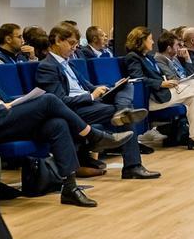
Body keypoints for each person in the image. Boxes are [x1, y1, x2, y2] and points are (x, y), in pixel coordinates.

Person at [0, 27, 133, 207]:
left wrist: (17, 104)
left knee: (56, 124)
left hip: (6, 121)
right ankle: (93, 136)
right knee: (49, 99)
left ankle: (70, 187)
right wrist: (4, 108)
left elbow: (6, 101)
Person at [35, 24, 159, 179]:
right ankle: (132, 166)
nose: (75, 47)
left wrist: (107, 88)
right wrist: (92, 96)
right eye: (72, 43)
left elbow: (86, 86)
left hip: (90, 102)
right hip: (76, 109)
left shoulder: (69, 63)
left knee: (126, 86)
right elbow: (59, 101)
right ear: (58, 40)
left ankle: (122, 109)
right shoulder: (47, 66)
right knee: (126, 116)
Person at [123, 27, 194, 151]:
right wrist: (161, 83)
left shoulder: (147, 57)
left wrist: (164, 83)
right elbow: (137, 79)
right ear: (141, 40)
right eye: (150, 39)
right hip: (152, 98)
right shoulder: (133, 57)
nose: (153, 42)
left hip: (162, 93)